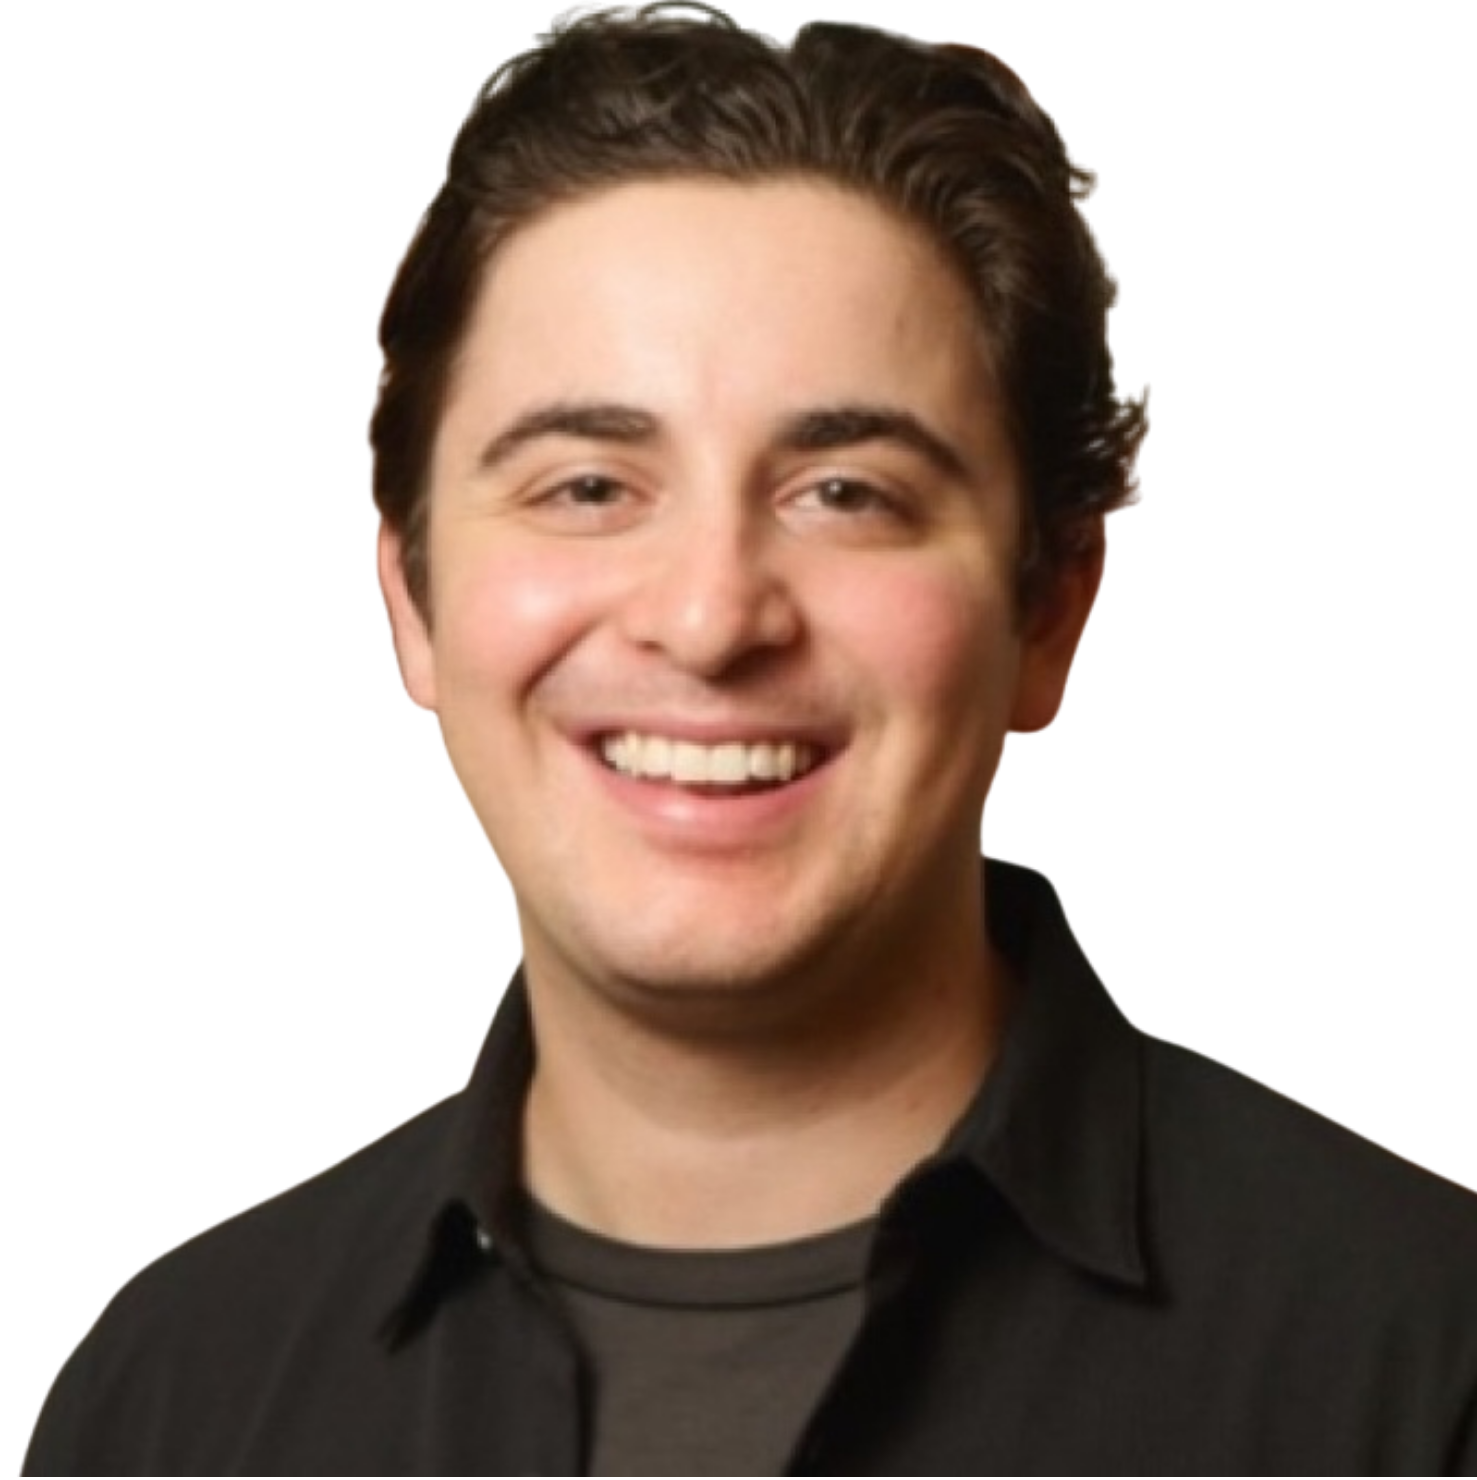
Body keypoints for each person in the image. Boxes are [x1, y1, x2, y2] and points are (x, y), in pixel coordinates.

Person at [23, 6, 1477, 1475]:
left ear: (1049, 606)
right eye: (588, 486)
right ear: (413, 596)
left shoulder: (1425, 1365)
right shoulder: (171, 1402)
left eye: (848, 492)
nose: (711, 616)